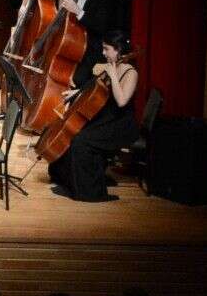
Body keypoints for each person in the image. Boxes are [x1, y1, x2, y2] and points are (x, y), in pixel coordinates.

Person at [46, 32, 139, 203]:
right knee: (73, 135)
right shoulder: (112, 65)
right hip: (106, 120)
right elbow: (95, 89)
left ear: (118, 50)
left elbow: (121, 101)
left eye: (107, 49)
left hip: (120, 126)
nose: (103, 53)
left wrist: (112, 75)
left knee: (82, 142)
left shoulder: (130, 73)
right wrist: (77, 92)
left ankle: (90, 192)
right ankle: (70, 182)